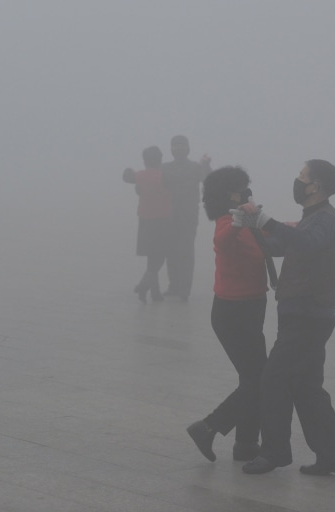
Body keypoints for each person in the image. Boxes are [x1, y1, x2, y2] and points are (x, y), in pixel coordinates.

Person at [232, 159, 335, 476]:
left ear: (316, 186)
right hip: (304, 313)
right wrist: (250, 227)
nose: (297, 182)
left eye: (302, 177)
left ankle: (274, 452)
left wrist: (266, 221)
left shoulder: (324, 219)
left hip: (308, 315)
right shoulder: (312, 217)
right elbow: (280, 245)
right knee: (308, 387)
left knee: (273, 380)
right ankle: (333, 456)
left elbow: (307, 243)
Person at [186, 166, 269, 463]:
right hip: (233, 313)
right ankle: (208, 427)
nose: (245, 193)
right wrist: (238, 218)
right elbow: (222, 240)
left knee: (254, 378)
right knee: (259, 378)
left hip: (251, 308)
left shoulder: (246, 221)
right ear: (226, 195)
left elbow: (273, 233)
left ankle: (246, 444)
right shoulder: (227, 222)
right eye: (239, 189)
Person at [161, 135, 212, 301]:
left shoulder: (195, 167)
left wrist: (206, 165)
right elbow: (151, 184)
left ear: (188, 149)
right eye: (175, 146)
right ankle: (174, 286)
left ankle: (184, 290)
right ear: (171, 149)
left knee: (186, 252)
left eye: (181, 146)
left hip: (188, 216)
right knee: (170, 251)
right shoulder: (164, 168)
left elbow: (209, 180)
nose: (178, 149)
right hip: (167, 216)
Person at [122, 146, 171, 303]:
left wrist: (128, 170)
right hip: (163, 220)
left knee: (152, 257)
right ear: (160, 159)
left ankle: (155, 293)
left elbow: (127, 177)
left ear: (144, 161)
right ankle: (144, 286)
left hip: (144, 220)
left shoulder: (140, 176)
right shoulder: (164, 176)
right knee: (159, 258)